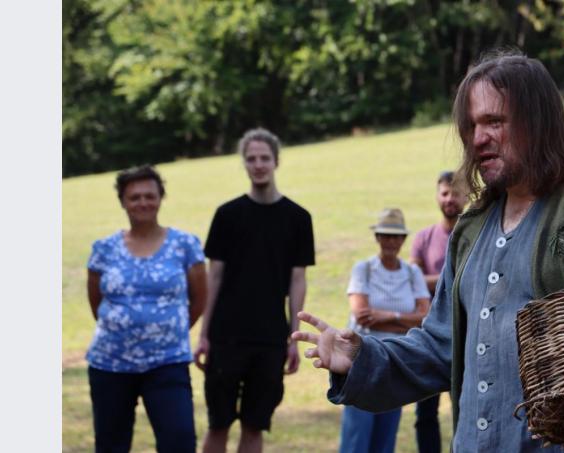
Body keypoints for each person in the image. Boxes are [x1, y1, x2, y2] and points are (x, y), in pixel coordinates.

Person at [292, 50, 564, 452]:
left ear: (537, 121)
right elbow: (441, 347)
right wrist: (362, 360)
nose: (478, 139)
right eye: (471, 126)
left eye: (494, 122)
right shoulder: (471, 229)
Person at [193, 128, 315, 453]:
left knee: (254, 425)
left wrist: (293, 337)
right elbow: (213, 277)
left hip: (270, 339)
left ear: (276, 161)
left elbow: (297, 280)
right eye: (251, 159)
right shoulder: (227, 215)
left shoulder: (298, 218)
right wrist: (203, 334)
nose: (258, 165)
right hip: (225, 337)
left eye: (264, 158)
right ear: (244, 164)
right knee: (218, 423)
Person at [86, 165, 207, 453]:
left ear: (160, 198)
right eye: (135, 197)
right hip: (110, 364)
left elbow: (199, 298)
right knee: (111, 445)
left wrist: (168, 330)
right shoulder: (104, 249)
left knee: (179, 442)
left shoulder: (185, 245)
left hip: (168, 362)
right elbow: (96, 301)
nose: (143, 202)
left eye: (150, 196)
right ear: (123, 201)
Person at [340, 208, 431, 453]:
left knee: (386, 436)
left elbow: (425, 318)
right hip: (362, 360)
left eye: (396, 236)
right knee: (357, 436)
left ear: (403, 239)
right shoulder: (364, 269)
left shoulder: (412, 273)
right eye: (386, 235)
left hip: (395, 361)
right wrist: (407, 321)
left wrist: (387, 316)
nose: (391, 241)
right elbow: (362, 316)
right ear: (377, 237)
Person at [409, 171, 469, 453]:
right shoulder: (424, 237)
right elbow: (411, 280)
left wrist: (432, 279)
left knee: (465, 407)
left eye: (455, 193)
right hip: (430, 333)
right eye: (445, 193)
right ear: (437, 196)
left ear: (466, 197)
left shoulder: (474, 235)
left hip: (466, 333)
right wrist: (455, 277)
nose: (449, 199)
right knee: (425, 412)